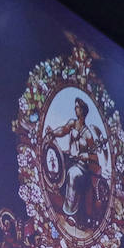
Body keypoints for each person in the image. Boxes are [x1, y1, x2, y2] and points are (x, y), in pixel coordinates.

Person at [44, 97, 107, 228]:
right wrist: (53, 133)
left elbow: (95, 157)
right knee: (54, 158)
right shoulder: (72, 123)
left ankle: (70, 214)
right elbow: (62, 130)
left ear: (83, 111)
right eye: (75, 106)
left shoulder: (88, 134)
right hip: (70, 159)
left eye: (77, 107)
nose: (75, 109)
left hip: (81, 167)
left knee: (72, 174)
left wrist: (86, 155)